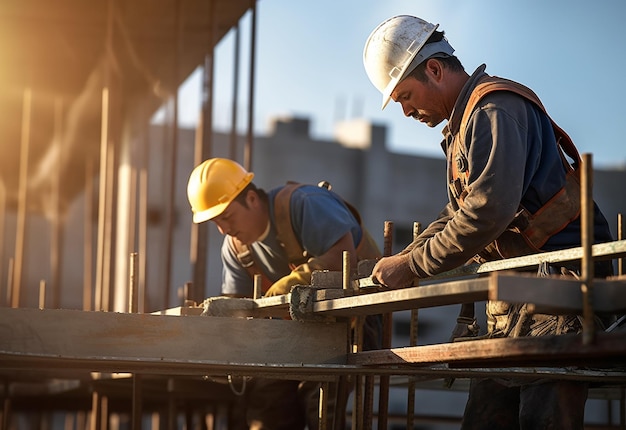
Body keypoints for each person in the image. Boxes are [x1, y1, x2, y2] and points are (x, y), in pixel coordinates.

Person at [363, 15, 614, 429]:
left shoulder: (495, 109)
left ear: (435, 69)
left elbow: (487, 213)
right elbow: (457, 214)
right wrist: (406, 256)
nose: (406, 110)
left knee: (543, 419)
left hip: (562, 292)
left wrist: (410, 266)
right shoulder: (464, 125)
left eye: (406, 95)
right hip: (520, 296)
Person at [186, 157, 381, 430]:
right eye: (216, 223)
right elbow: (240, 310)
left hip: (351, 318)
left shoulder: (304, 203)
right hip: (289, 329)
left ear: (251, 199)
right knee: (267, 404)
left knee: (321, 401)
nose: (224, 230)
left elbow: (342, 256)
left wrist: (287, 286)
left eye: (227, 217)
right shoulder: (236, 249)